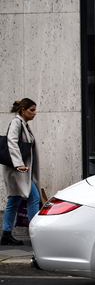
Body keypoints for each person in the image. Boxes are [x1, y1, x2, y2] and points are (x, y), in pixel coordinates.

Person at [1, 98, 40, 245]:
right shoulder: (17, 123)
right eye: (32, 110)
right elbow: (11, 142)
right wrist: (19, 164)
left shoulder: (24, 124)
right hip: (18, 170)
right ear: (23, 110)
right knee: (33, 197)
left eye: (35, 110)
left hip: (20, 170)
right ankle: (35, 233)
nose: (34, 113)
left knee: (14, 199)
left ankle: (6, 234)